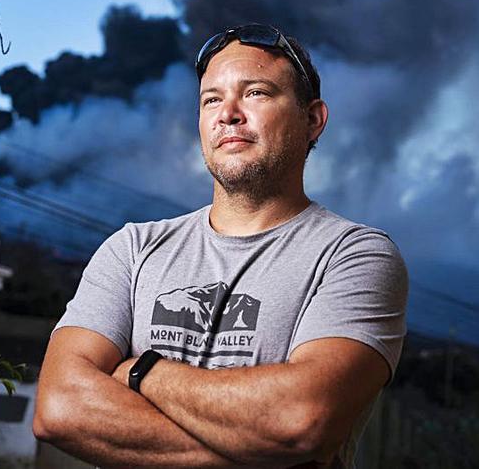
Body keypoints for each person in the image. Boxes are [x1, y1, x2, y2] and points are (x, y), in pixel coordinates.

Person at [32, 24, 409, 468]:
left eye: (256, 93)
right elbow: (58, 408)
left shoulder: (354, 256)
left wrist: (139, 371)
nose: (228, 113)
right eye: (212, 99)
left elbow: (298, 420)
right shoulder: (133, 249)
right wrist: (256, 446)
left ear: (313, 120)